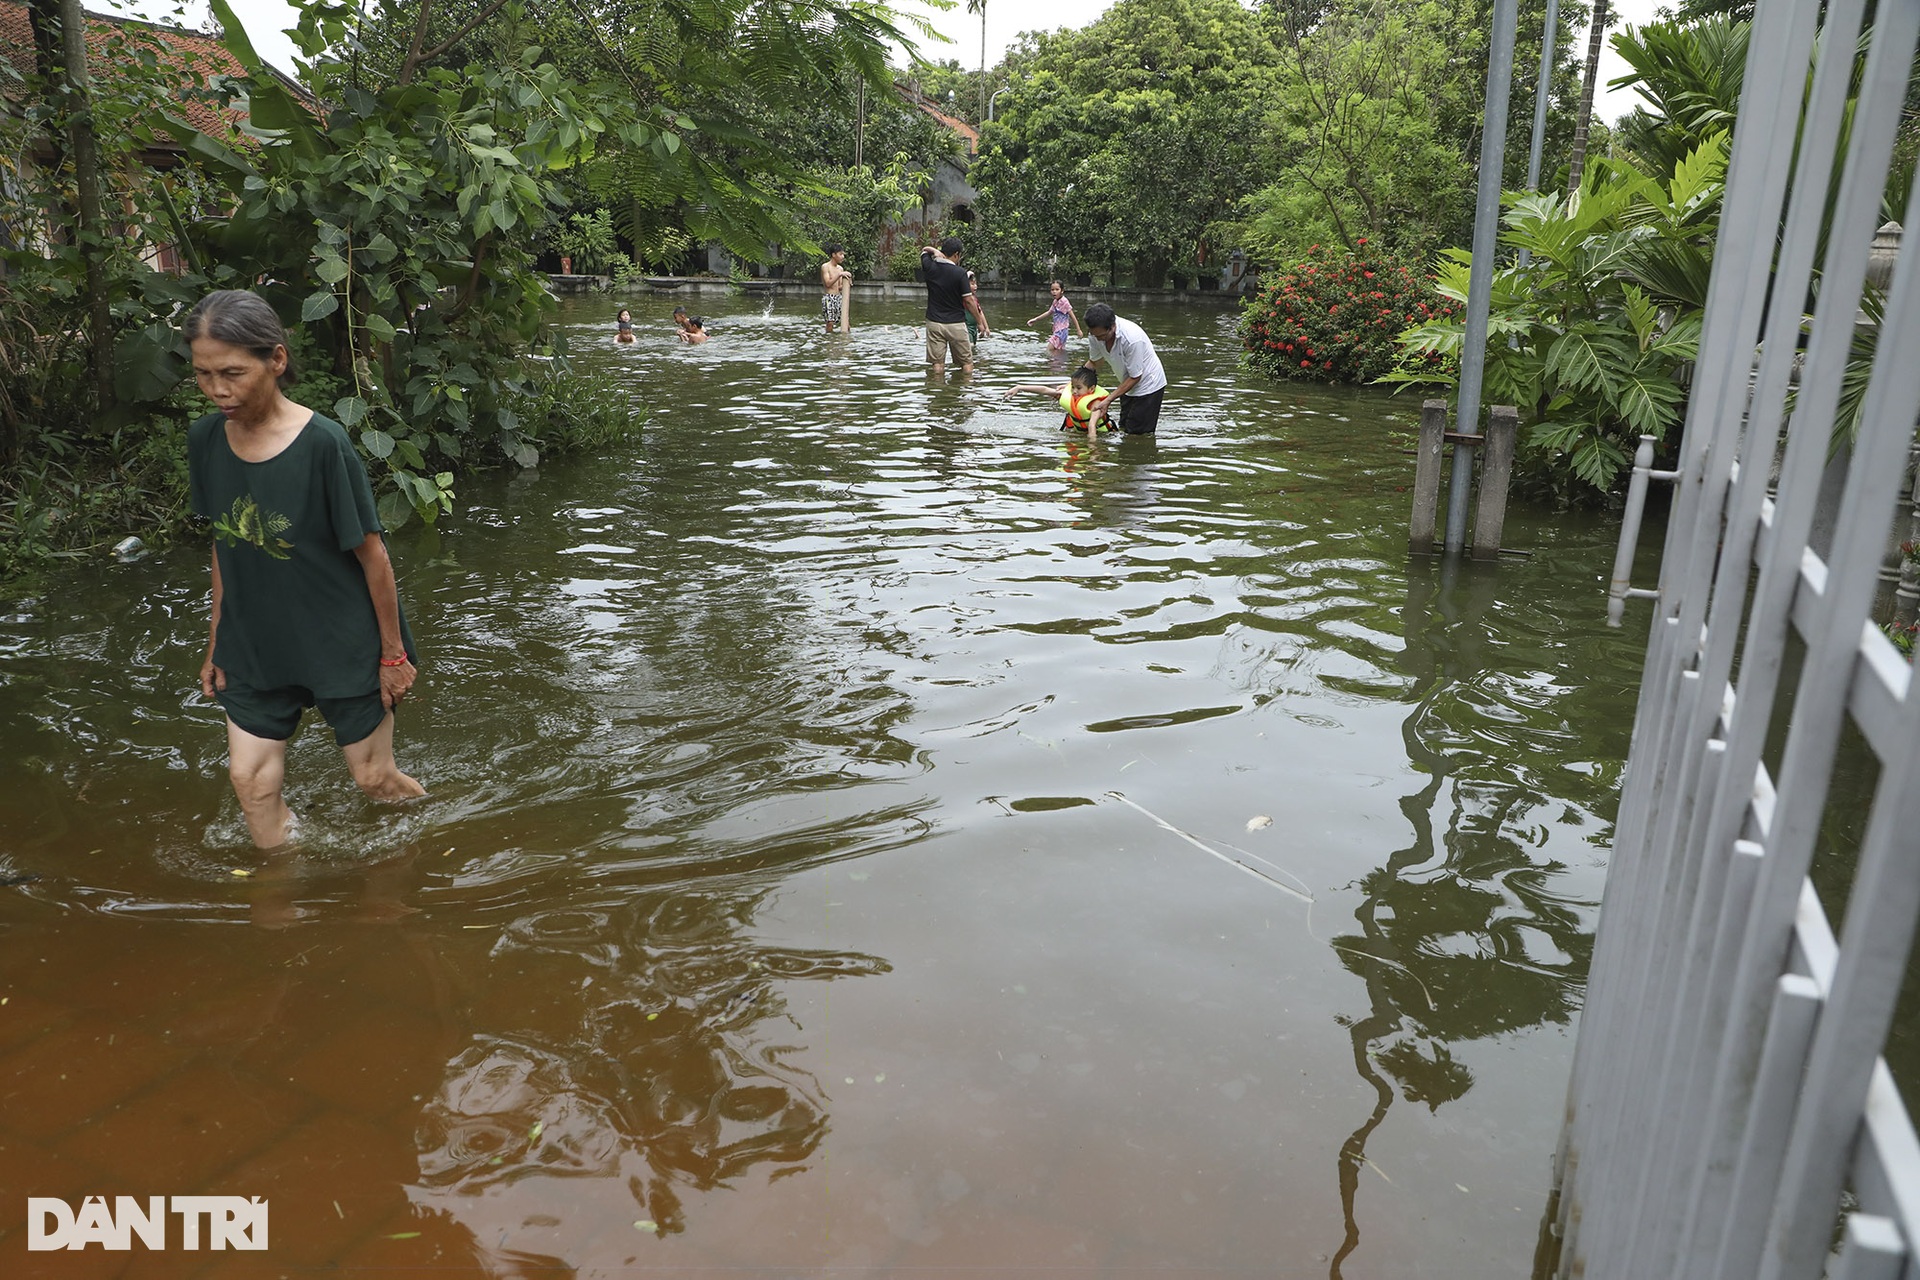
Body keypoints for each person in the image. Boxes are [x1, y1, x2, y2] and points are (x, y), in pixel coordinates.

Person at [184, 289, 424, 849]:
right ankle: (279, 901)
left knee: (374, 781)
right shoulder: (205, 440)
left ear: (277, 360)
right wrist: (218, 636)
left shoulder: (323, 444)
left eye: (233, 373)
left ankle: (423, 855)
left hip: (339, 638)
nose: (217, 389)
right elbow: (224, 542)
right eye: (202, 374)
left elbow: (373, 556)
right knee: (249, 780)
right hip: (255, 640)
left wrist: (392, 654)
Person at [1083, 302, 1168, 435]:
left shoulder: (1131, 338)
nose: (1098, 340)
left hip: (1149, 385)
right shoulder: (1095, 334)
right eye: (1095, 336)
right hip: (1126, 383)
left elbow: (1136, 377)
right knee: (1123, 427)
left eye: (1102, 336)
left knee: (1138, 433)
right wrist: (1071, 385)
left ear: (1112, 326)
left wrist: (1108, 400)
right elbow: (1095, 363)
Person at [921, 236, 989, 375]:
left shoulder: (929, 266)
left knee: (938, 363)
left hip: (934, 322)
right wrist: (979, 322)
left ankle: (937, 391)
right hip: (956, 323)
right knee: (967, 363)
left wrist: (934, 251)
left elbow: (924, 250)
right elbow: (969, 301)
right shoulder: (960, 273)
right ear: (957, 254)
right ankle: (965, 390)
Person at [1001, 365, 1113, 439]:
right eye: (1072, 387)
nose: (1074, 391)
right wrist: (1019, 387)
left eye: (1079, 388)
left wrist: (1093, 450)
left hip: (1101, 435)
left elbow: (1092, 427)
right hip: (1078, 432)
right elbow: (1045, 390)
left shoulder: (1095, 404)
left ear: (1091, 389)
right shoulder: (1071, 396)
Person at [1026, 281, 1083, 351]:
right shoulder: (1055, 301)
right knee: (1057, 352)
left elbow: (1073, 316)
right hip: (1057, 331)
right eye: (1052, 290)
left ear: (1062, 291)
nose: (1054, 292)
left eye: (1057, 289)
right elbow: (1049, 312)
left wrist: (1078, 330)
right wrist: (1035, 319)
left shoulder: (1064, 302)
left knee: (1049, 350)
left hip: (1061, 331)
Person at [820, 244, 852, 333]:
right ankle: (830, 342)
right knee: (830, 323)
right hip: (829, 297)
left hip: (839, 297)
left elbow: (839, 287)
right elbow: (828, 284)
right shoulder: (825, 267)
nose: (843, 257)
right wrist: (839, 275)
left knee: (846, 323)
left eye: (843, 254)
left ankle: (844, 341)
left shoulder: (840, 268)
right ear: (834, 255)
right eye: (841, 254)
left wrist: (848, 283)